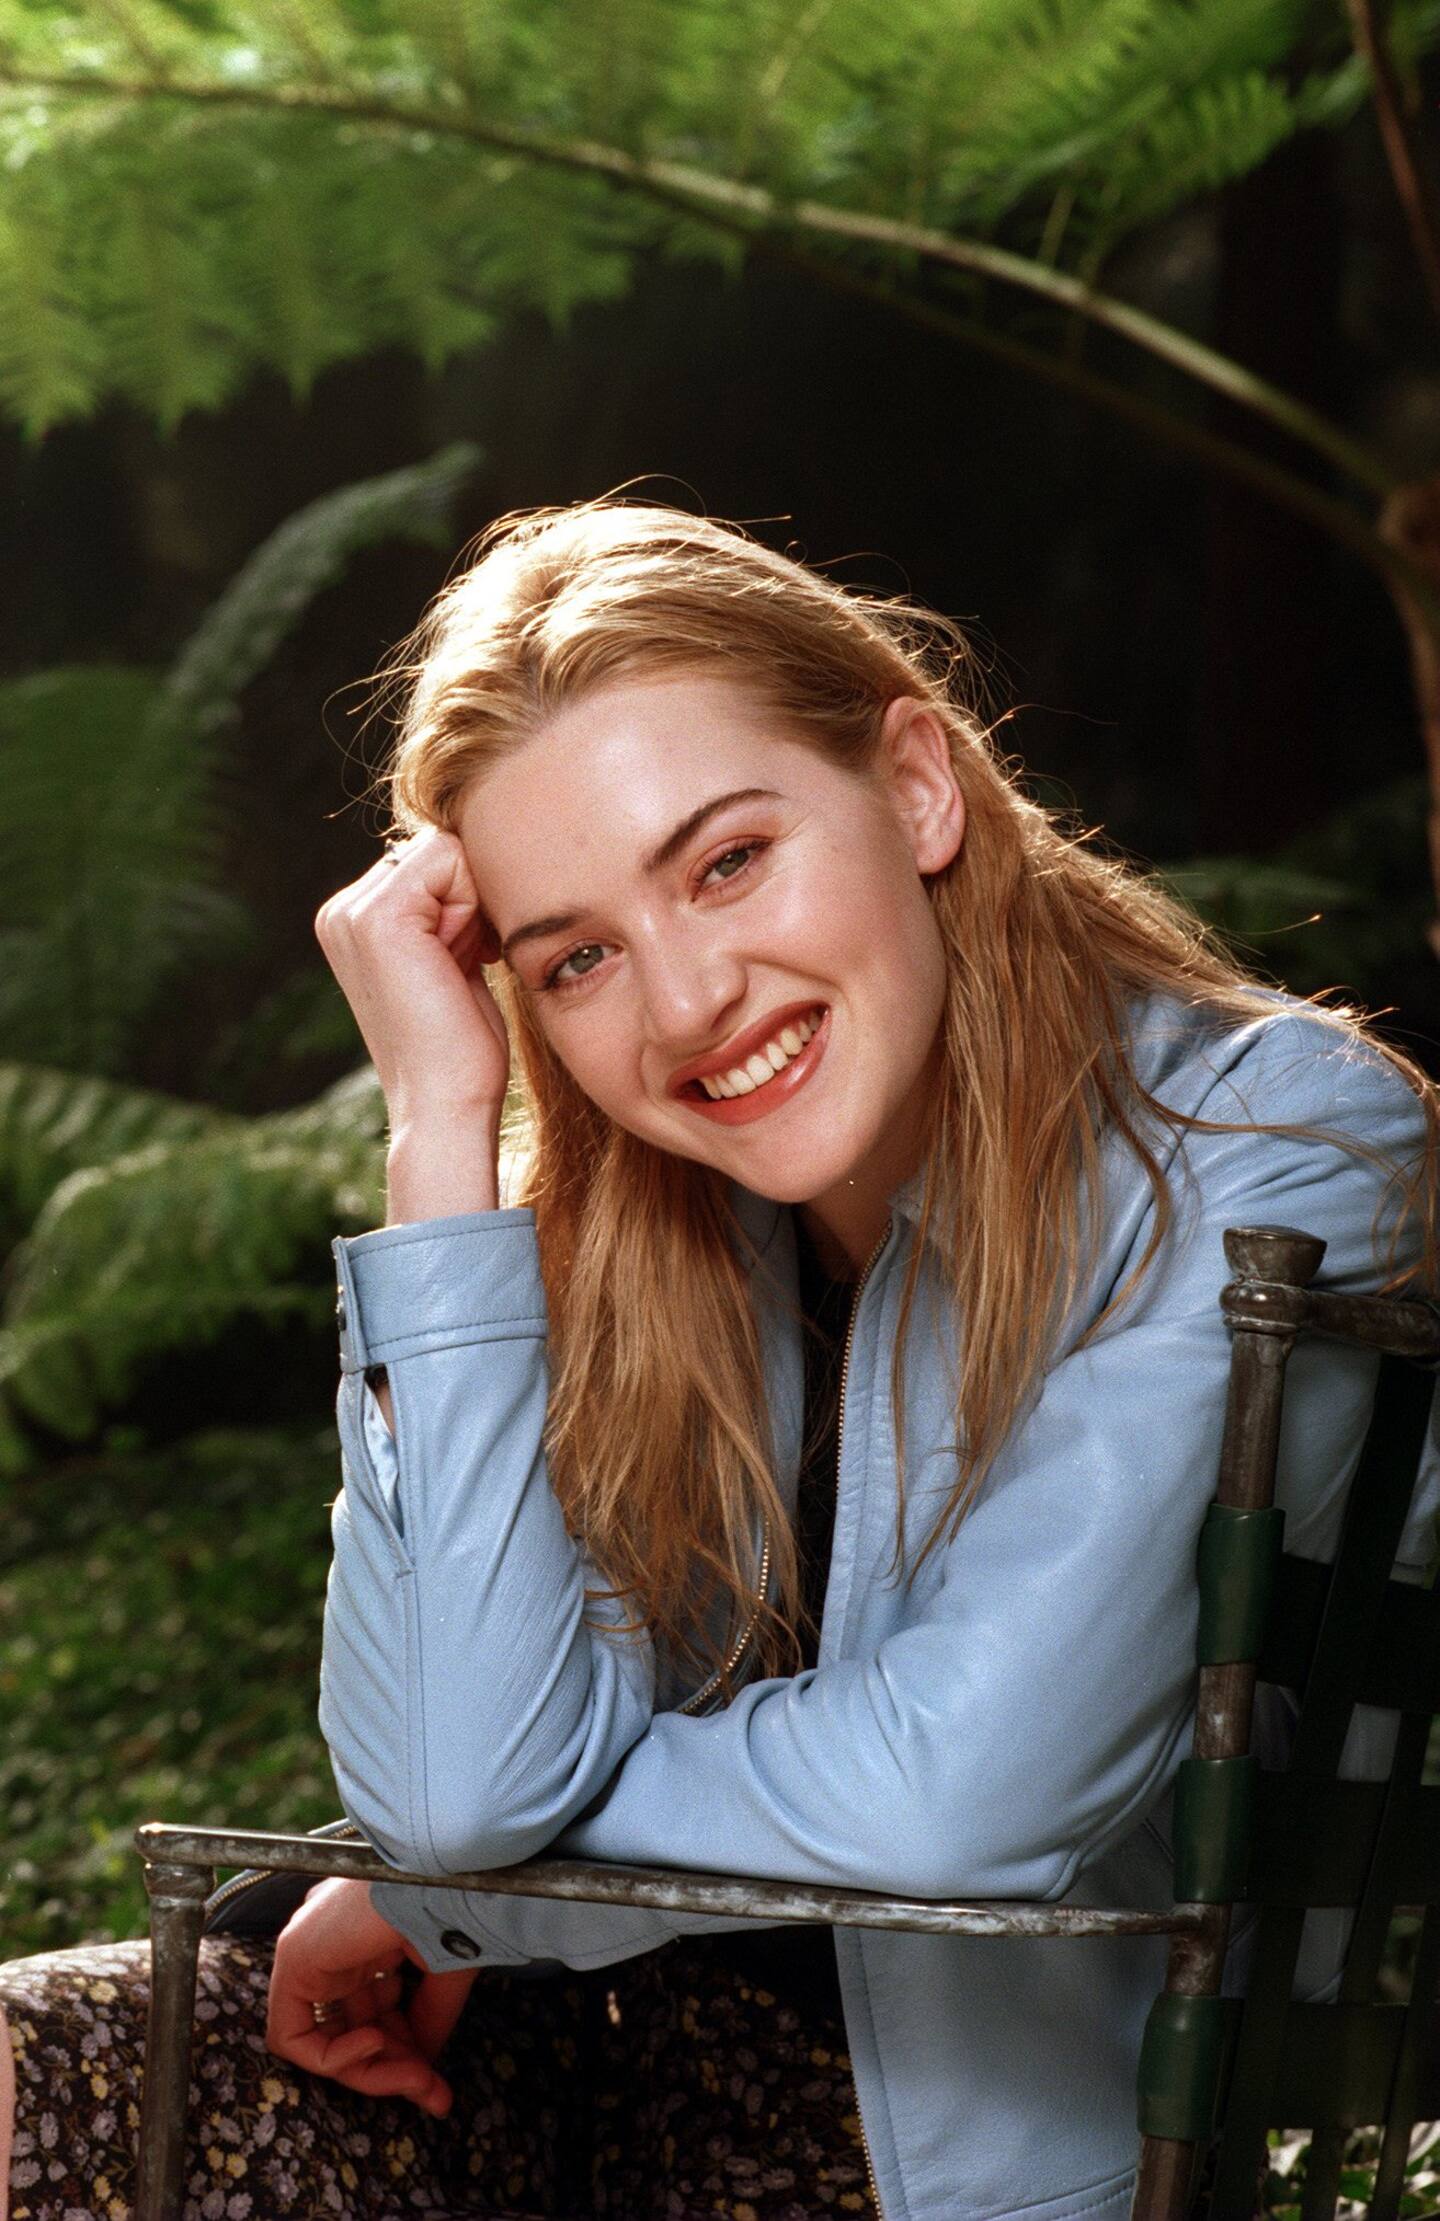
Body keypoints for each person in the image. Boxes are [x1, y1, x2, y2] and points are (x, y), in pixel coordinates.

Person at [2, 499, 1436, 2221]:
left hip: (980, 2156)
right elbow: (455, 1783)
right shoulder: (660, 1244)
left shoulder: (1267, 1140)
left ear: (916, 784)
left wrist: (455, 1895)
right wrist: (442, 1129)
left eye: (727, 858)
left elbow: (967, 1793)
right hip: (575, 2070)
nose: (681, 1004)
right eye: (578, 956)